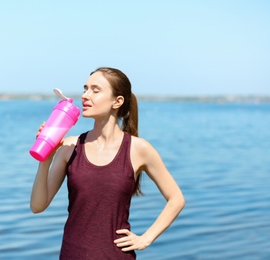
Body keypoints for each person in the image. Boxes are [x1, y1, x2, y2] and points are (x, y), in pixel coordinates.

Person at [30, 67, 185, 259]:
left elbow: (176, 198)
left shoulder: (138, 149)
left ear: (117, 101)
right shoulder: (70, 146)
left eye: (95, 90)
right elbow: (38, 206)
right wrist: (46, 157)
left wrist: (145, 238)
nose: (85, 96)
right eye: (85, 89)